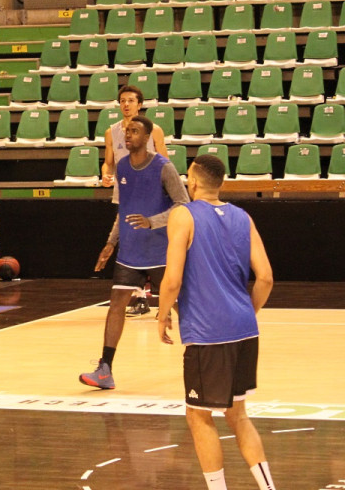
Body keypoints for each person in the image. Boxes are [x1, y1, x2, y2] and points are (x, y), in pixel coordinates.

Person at [158, 155, 277, 490]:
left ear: (193, 182)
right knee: (238, 414)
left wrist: (161, 314)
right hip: (245, 330)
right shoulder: (243, 216)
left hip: (208, 334)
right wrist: (247, 312)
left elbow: (172, 281)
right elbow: (265, 278)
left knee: (198, 415)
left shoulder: (183, 215)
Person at [80, 115, 188, 390]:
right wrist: (111, 242)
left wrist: (153, 221)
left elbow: (183, 204)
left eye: (135, 131)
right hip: (130, 251)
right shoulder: (123, 166)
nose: (128, 135)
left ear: (147, 137)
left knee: (181, 305)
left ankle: (201, 355)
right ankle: (105, 369)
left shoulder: (163, 167)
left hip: (160, 251)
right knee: (116, 304)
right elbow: (124, 209)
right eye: (127, 131)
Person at [101, 85, 168, 317]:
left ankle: (166, 301)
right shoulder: (111, 132)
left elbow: (165, 161)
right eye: (122, 100)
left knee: (154, 244)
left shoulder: (154, 130)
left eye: (130, 100)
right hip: (126, 193)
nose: (126, 104)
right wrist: (105, 175)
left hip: (151, 195)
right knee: (130, 244)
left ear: (139, 104)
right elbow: (108, 162)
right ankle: (140, 298)